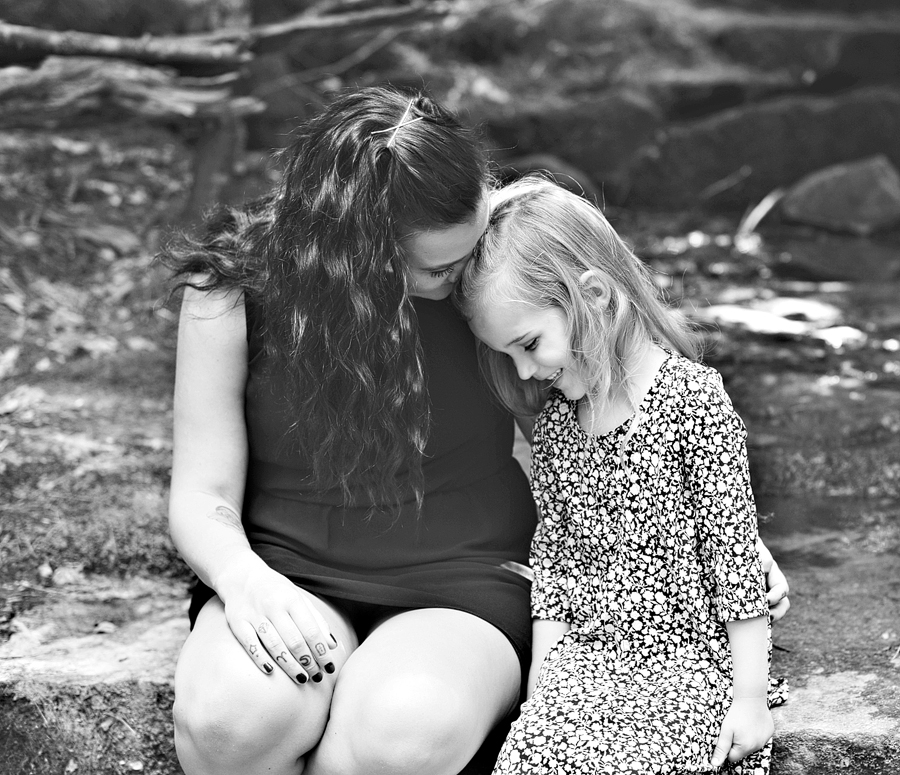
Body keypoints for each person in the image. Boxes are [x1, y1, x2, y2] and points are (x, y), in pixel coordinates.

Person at [164, 86, 790, 775]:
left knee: (400, 731)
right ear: (358, 262)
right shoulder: (230, 290)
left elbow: (602, 408)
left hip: (463, 582)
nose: (468, 276)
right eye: (440, 269)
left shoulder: (482, 278)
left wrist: (720, 526)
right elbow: (202, 494)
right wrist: (244, 581)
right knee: (229, 722)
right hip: (287, 572)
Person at [456, 176, 786, 775]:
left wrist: (751, 699)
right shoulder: (559, 426)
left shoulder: (692, 401)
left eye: (528, 344)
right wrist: (539, 701)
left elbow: (735, 564)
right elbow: (556, 571)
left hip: (684, 664)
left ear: (595, 295)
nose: (525, 372)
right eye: (508, 356)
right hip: (584, 667)